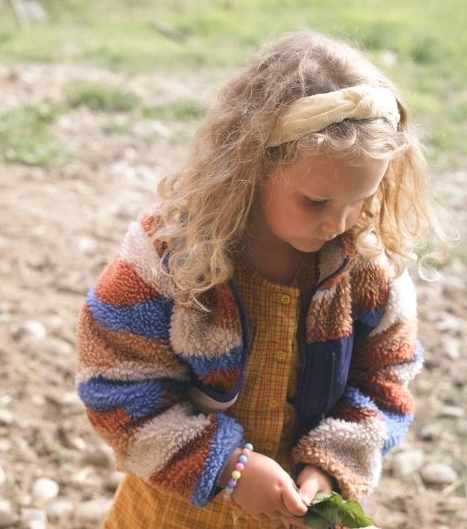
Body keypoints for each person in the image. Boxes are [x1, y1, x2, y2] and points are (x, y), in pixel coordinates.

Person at [76, 30, 447, 528]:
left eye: (360, 199)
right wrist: (228, 468)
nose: (339, 223)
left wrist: (331, 465)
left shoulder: (366, 266)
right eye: (316, 201)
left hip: (296, 511)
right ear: (251, 165)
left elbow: (385, 380)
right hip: (180, 508)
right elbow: (115, 385)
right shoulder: (170, 259)